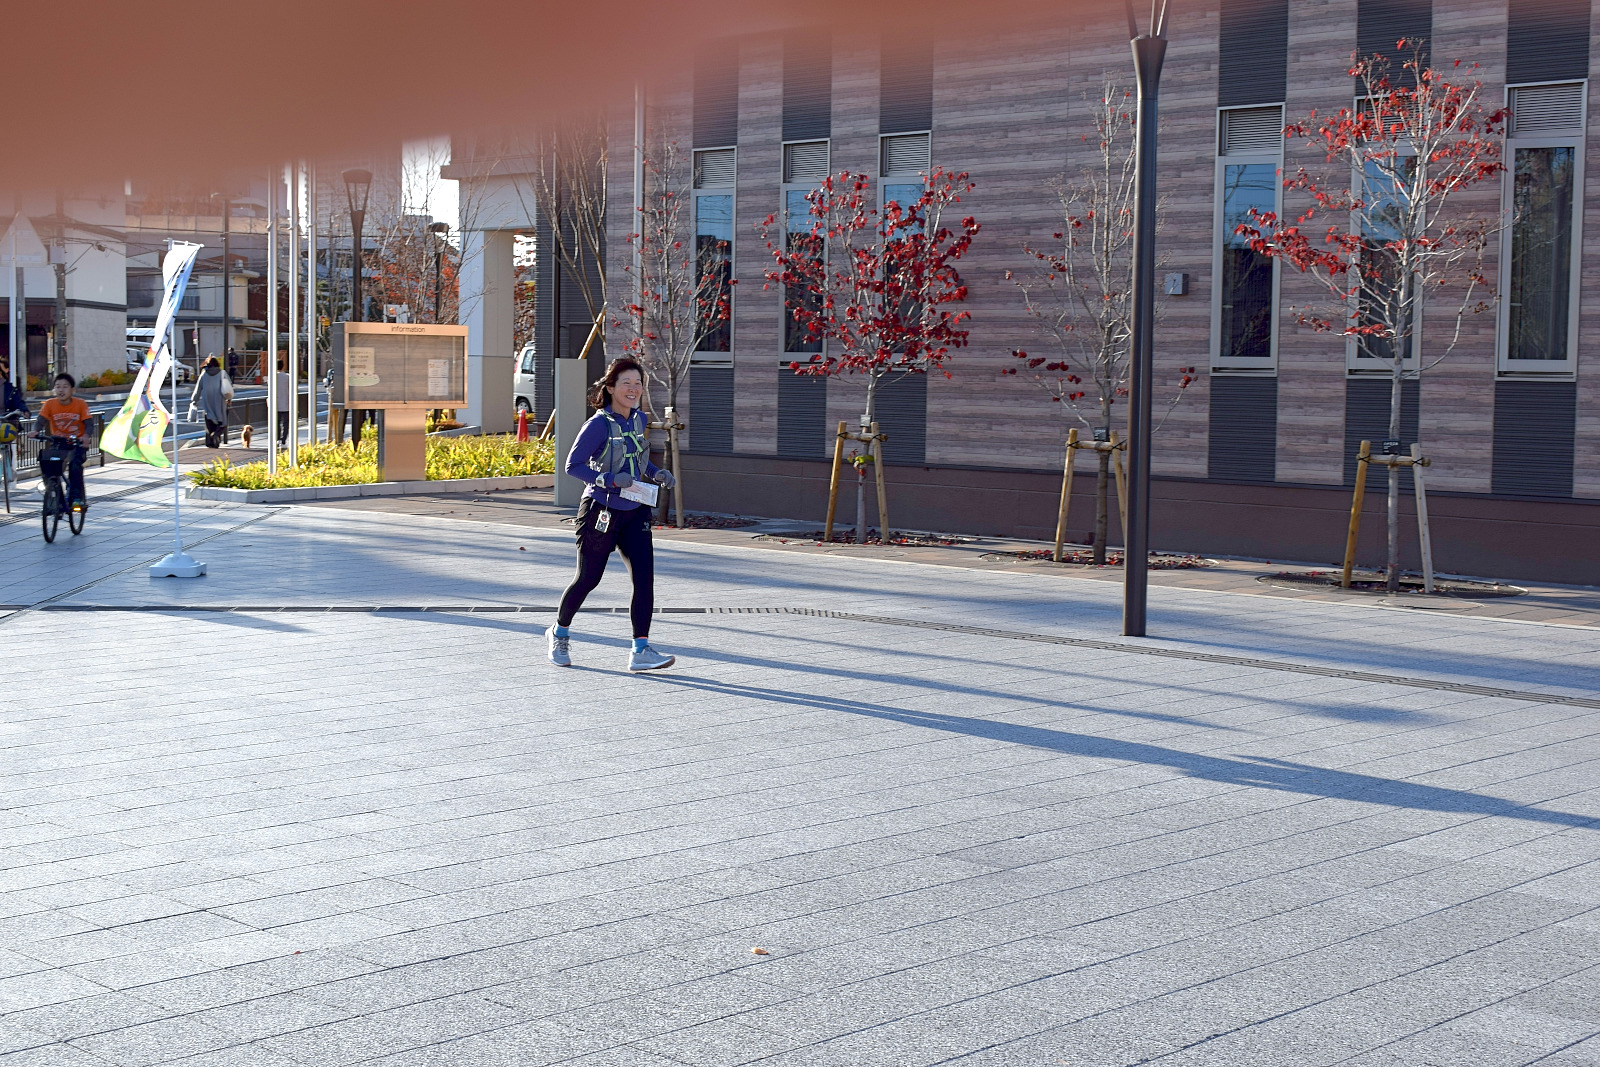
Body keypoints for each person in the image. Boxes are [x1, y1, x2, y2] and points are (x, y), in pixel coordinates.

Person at [547, 357, 678, 672]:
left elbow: (637, 457)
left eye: (638, 383)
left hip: (635, 510)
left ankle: (640, 650)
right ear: (610, 388)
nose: (633, 389)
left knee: (644, 580)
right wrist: (607, 479)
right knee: (588, 578)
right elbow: (573, 466)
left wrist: (656, 473)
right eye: (626, 383)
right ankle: (558, 632)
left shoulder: (640, 419)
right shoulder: (597, 425)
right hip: (600, 511)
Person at [36, 372, 90, 507]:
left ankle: (77, 498)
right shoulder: (50, 404)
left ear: (72, 390)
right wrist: (35, 431)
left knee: (75, 465)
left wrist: (85, 436)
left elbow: (89, 424)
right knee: (48, 464)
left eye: (65, 387)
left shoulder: (80, 404)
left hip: (76, 444)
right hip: (58, 443)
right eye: (58, 386)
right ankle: (56, 498)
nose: (61, 390)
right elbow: (40, 420)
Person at [189, 356, 232, 448]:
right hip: (220, 400)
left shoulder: (204, 374)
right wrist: (229, 399)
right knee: (222, 422)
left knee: (209, 421)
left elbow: (198, 389)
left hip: (207, 400)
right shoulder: (222, 373)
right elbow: (228, 387)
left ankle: (210, 442)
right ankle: (216, 435)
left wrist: (194, 400)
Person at [275, 355, 291, 447]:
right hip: (286, 402)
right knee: (285, 423)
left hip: (276, 403)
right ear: (283, 366)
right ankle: (284, 440)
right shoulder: (287, 377)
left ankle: (277, 439)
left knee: (277, 422)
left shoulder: (273, 377)